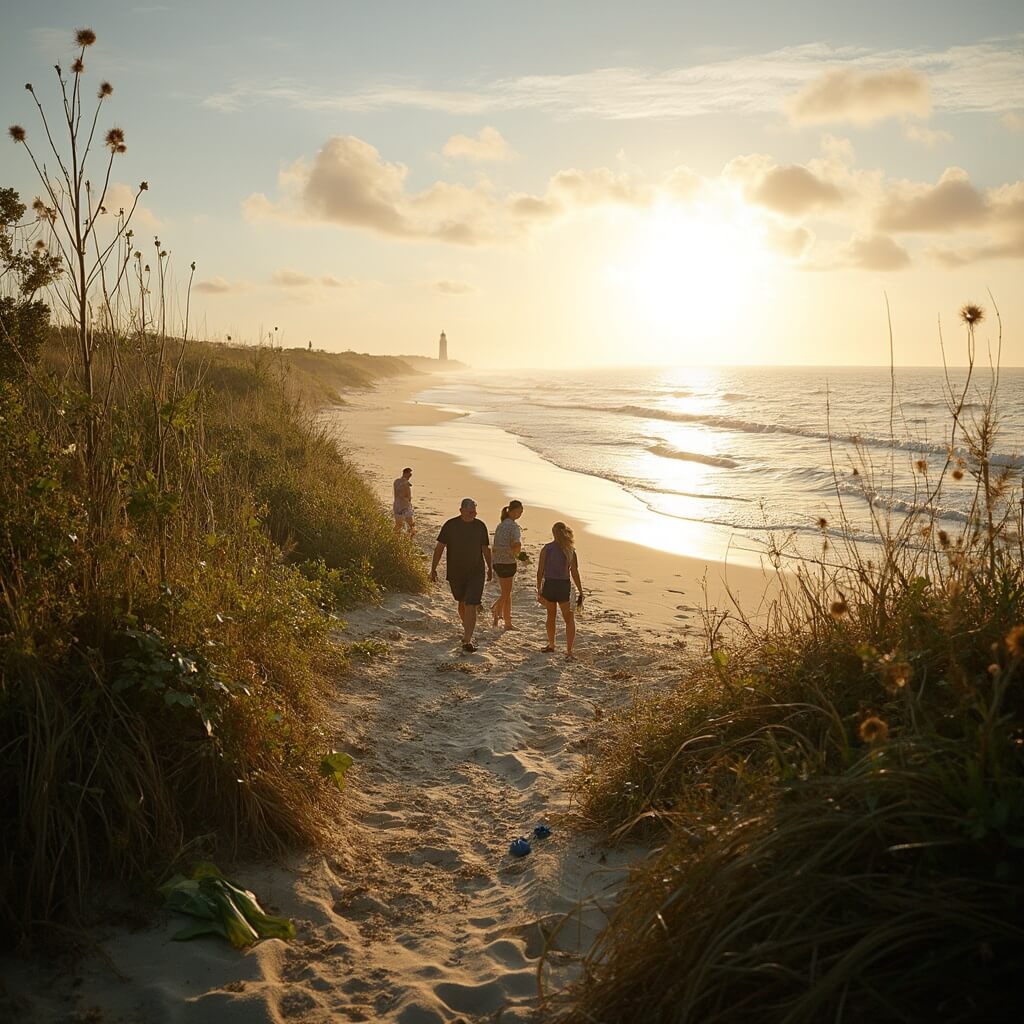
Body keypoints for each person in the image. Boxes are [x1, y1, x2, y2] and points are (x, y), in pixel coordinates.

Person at [431, 498, 493, 652]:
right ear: (461, 510)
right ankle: (467, 627)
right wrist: (433, 568)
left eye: (475, 511)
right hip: (456, 572)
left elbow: (485, 548)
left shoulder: (480, 526)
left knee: (471, 603)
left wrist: (490, 568)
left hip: (476, 572)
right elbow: (440, 547)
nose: (474, 514)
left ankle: (467, 639)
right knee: (461, 602)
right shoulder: (450, 525)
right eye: (471, 511)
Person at [536, 521, 584, 659]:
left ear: (553, 533)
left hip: (550, 585)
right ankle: (569, 650)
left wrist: (538, 588)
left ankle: (551, 645)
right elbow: (574, 572)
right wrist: (580, 590)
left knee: (550, 616)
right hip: (564, 586)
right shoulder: (570, 550)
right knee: (569, 619)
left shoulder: (547, 549)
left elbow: (540, 571)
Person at [490, 500, 524, 629]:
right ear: (514, 511)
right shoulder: (514, 527)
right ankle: (495, 609)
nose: (520, 514)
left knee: (506, 593)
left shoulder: (501, 525)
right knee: (506, 593)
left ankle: (507, 622)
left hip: (497, 561)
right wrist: (520, 556)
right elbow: (516, 544)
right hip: (507, 562)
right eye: (520, 512)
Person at [393, 467, 415, 535]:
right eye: (409, 475)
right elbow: (406, 496)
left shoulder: (397, 481)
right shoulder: (405, 483)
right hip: (404, 506)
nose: (410, 476)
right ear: (405, 473)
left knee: (398, 525)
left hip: (397, 506)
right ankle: (409, 539)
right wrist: (408, 500)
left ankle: (395, 539)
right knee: (411, 525)